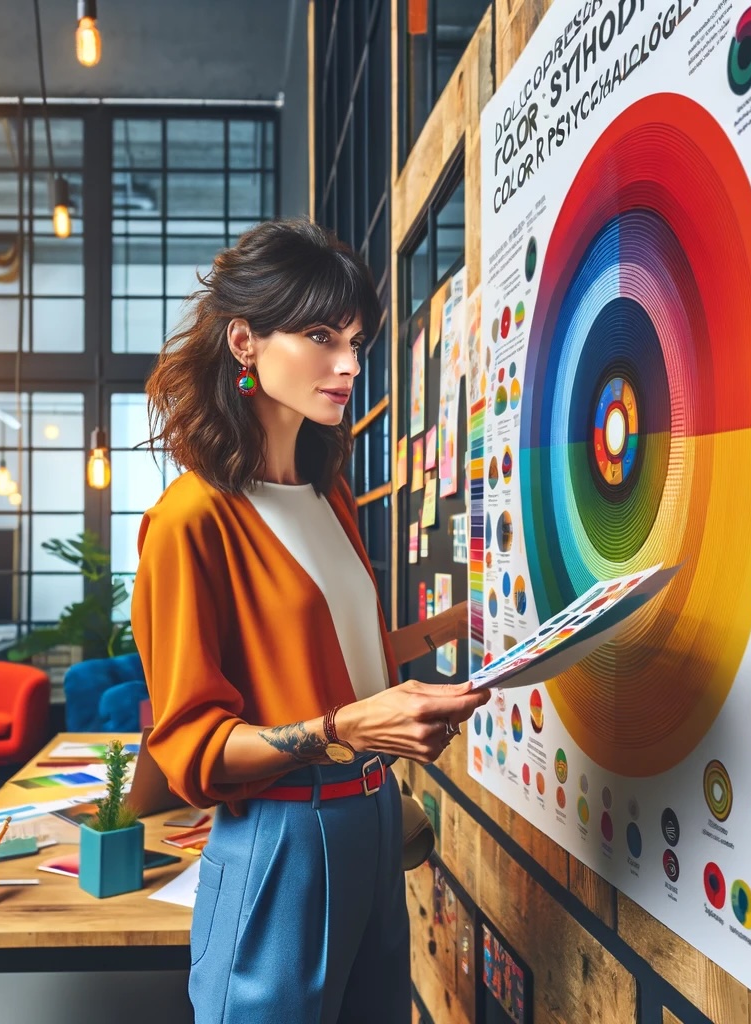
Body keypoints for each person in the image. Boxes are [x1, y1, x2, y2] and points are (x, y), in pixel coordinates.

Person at [131, 218, 489, 1024]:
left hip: (372, 822)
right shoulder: (191, 521)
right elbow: (192, 748)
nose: (349, 365)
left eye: (356, 340)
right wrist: (351, 727)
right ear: (245, 342)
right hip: (281, 843)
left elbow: (327, 658)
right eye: (321, 335)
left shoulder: (331, 496)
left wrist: (453, 627)